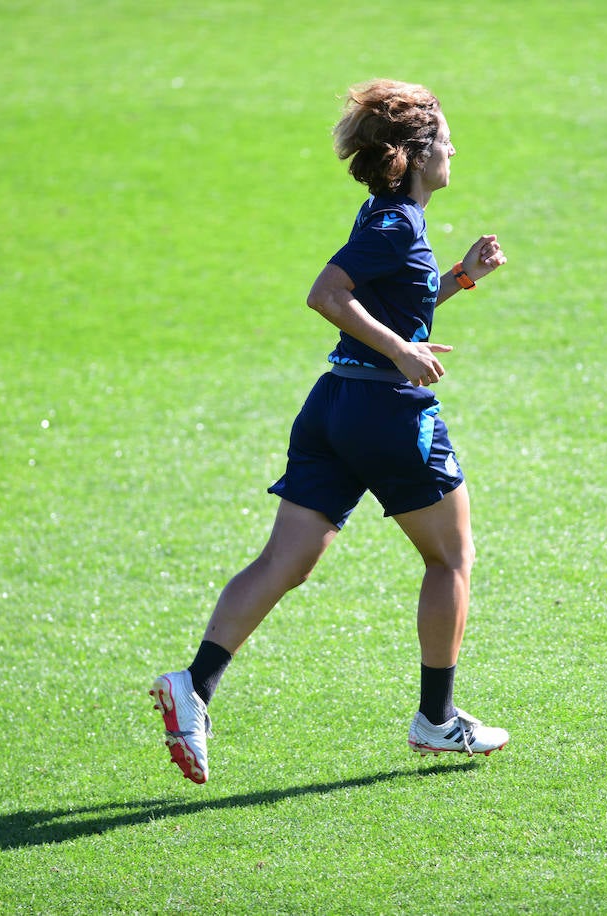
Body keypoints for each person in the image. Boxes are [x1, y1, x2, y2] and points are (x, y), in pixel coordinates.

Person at [150, 79, 510, 784]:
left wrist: (460, 279)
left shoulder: (385, 216)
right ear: (415, 151)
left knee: (286, 561)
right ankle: (437, 721)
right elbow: (327, 295)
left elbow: (391, 300)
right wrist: (403, 353)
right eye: (446, 139)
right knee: (451, 559)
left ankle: (195, 685)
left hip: (334, 406)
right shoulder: (393, 225)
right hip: (387, 413)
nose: (455, 150)